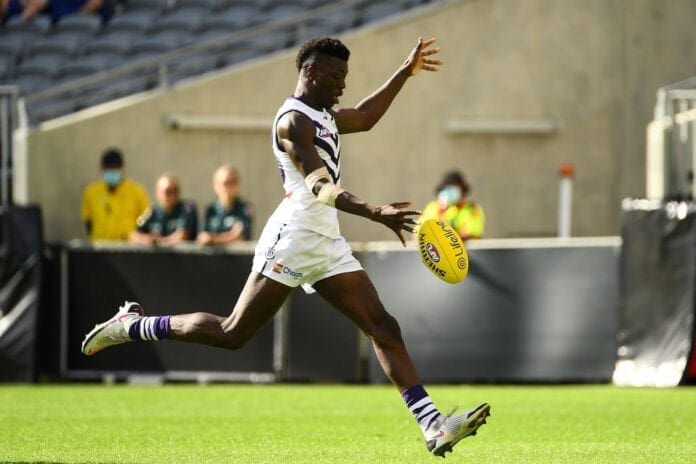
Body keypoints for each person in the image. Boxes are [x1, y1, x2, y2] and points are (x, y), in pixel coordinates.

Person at [82, 36, 490, 457]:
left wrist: (405, 71)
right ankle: (132, 325)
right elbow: (321, 187)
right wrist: (375, 211)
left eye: (345, 77)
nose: (342, 85)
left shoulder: (324, 114)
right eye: (336, 76)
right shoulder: (293, 122)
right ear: (310, 72)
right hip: (293, 236)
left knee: (383, 326)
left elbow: (367, 117)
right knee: (232, 333)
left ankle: (433, 426)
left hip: (326, 239)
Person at [80, 148, 150, 242]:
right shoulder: (91, 192)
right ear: (102, 169)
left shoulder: (137, 192)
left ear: (122, 169)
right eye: (108, 168)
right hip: (99, 248)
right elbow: (88, 222)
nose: (112, 172)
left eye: (115, 168)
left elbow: (146, 220)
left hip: (127, 248)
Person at [129, 174, 198, 246]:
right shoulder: (151, 211)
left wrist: (159, 242)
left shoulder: (187, 209)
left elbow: (183, 236)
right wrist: (147, 240)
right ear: (157, 192)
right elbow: (133, 235)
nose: (168, 196)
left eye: (172, 191)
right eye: (164, 192)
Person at [420, 170, 485, 241]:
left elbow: (472, 235)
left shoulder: (472, 209)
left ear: (462, 190)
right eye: (447, 188)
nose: (450, 191)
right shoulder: (433, 207)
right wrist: (441, 213)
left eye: (454, 186)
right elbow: (420, 232)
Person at [196, 165, 253, 245]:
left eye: (232, 182)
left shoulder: (245, 208)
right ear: (216, 185)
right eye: (225, 183)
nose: (229, 187)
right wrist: (230, 235)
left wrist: (213, 239)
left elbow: (240, 237)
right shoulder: (211, 209)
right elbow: (202, 237)